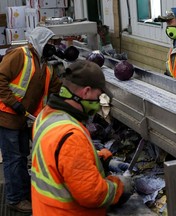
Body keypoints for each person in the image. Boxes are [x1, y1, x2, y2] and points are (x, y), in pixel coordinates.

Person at [31, 59, 133, 216]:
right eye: (99, 95)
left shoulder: (45, 116)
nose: (99, 102)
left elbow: (56, 158)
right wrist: (120, 186)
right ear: (86, 92)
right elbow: (92, 194)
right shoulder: (71, 134)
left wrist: (96, 158)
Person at [0, 27, 62, 213]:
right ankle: (15, 199)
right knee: (13, 160)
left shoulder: (45, 65)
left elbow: (57, 88)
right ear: (40, 42)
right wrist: (14, 103)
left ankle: (25, 193)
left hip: (23, 120)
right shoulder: (20, 55)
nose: (53, 46)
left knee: (22, 157)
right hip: (7, 116)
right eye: (50, 43)